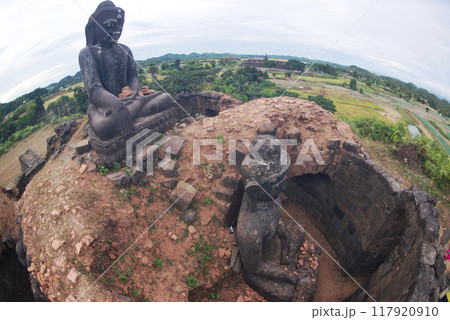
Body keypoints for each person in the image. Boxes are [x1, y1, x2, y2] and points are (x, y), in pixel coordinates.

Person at [79, 1, 173, 141]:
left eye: (119, 27)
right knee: (104, 126)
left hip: (130, 99)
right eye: (110, 26)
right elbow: (94, 90)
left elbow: (133, 77)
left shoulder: (125, 49)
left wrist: (133, 93)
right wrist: (115, 103)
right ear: (95, 27)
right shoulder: (87, 53)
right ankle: (132, 110)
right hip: (103, 107)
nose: (115, 31)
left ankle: (134, 108)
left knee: (166, 99)